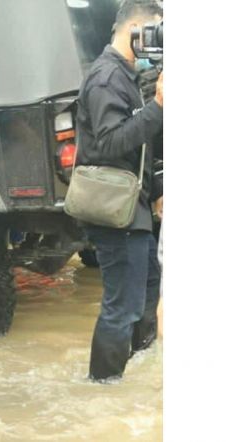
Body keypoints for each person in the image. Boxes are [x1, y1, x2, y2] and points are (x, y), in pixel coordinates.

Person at [75, 0, 164, 382]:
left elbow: (144, 146)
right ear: (136, 32)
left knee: (146, 294)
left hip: (135, 205)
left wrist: (157, 188)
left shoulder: (128, 74)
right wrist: (160, 104)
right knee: (122, 306)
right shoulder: (106, 77)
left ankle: (135, 372)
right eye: (156, 32)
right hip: (115, 207)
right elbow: (111, 142)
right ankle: (104, 387)